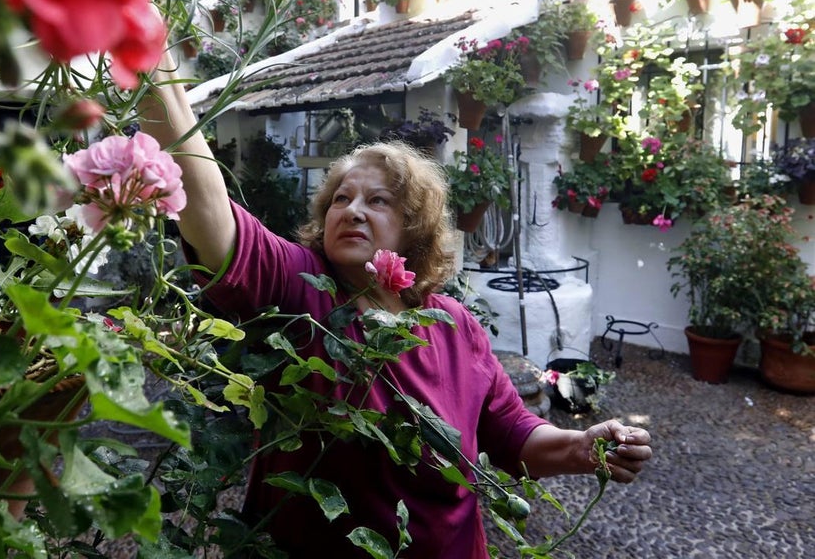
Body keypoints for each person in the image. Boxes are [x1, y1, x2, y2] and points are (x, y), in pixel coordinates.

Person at [139, 52, 652, 558]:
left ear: (414, 230)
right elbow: (209, 210)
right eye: (341, 199)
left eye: (377, 201)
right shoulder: (303, 289)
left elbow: (514, 434)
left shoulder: (454, 325)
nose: (353, 209)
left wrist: (583, 447)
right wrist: (152, 59)